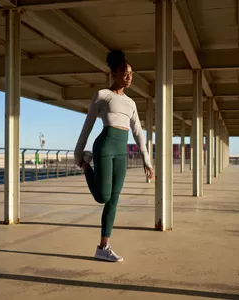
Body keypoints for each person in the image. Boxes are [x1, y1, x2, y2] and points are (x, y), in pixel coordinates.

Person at [74, 50, 154, 262]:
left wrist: (146, 159)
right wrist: (77, 154)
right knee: (102, 197)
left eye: (131, 74)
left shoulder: (131, 103)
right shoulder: (103, 95)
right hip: (105, 147)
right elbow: (88, 125)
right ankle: (86, 166)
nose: (129, 77)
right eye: (125, 72)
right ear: (115, 72)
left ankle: (103, 247)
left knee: (114, 200)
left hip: (121, 152)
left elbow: (138, 132)